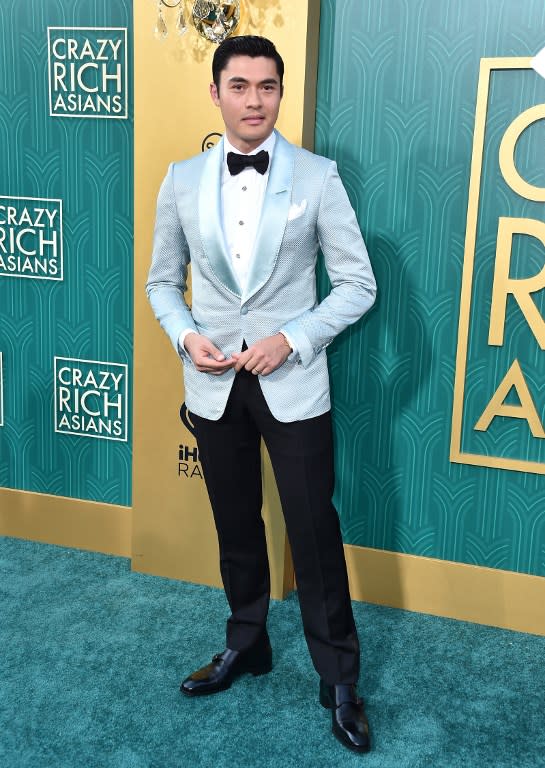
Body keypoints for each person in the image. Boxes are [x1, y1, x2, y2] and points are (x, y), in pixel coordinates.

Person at [146, 35, 376, 753]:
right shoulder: (180, 179)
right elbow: (161, 282)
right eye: (240, 86)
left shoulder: (317, 177)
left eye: (267, 86)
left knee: (312, 531)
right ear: (215, 92)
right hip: (213, 385)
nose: (254, 100)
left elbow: (358, 285)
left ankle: (338, 677)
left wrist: (293, 338)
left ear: (280, 92)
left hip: (292, 382)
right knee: (235, 526)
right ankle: (246, 642)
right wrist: (187, 336)